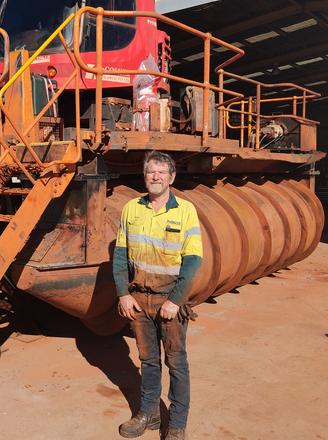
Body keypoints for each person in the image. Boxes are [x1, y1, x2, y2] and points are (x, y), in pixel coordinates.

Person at [113, 151, 203, 440]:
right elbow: (120, 256)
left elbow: (192, 261)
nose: (155, 177)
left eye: (161, 172)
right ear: (144, 176)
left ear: (172, 177)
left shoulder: (185, 210)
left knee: (176, 362)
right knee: (148, 360)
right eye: (151, 172)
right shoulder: (131, 209)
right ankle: (148, 412)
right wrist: (123, 294)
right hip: (139, 300)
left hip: (170, 301)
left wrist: (175, 301)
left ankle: (176, 424)